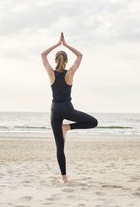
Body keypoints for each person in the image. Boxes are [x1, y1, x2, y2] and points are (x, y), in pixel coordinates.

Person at [41, 32, 98, 183]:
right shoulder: (70, 73)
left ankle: (64, 178)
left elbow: (42, 55)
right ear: (66, 61)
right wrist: (65, 44)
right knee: (93, 122)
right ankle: (68, 127)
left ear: (55, 60)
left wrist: (56, 44)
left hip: (55, 110)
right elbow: (80, 56)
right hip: (67, 108)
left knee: (60, 147)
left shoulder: (51, 73)